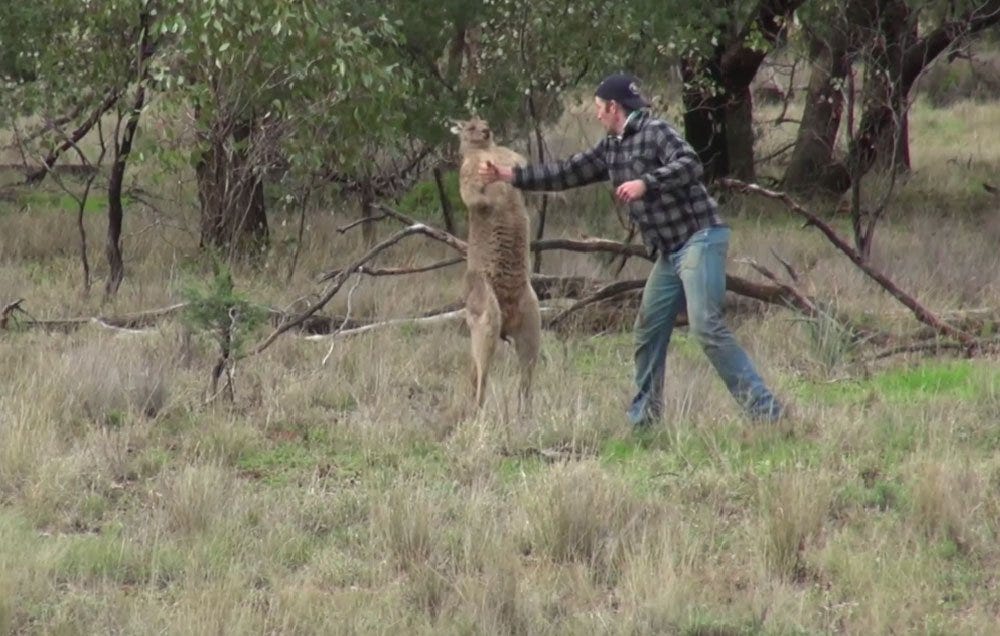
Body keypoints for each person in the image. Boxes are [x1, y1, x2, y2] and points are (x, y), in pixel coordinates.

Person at [478, 72, 785, 427]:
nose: (595, 115)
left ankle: (768, 414)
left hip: (700, 238)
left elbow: (690, 164)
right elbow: (566, 172)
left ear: (613, 107)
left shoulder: (657, 132)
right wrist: (508, 176)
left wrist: (646, 183)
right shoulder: (611, 147)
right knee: (648, 329)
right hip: (670, 252)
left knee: (706, 326)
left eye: (598, 108)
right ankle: (644, 421)